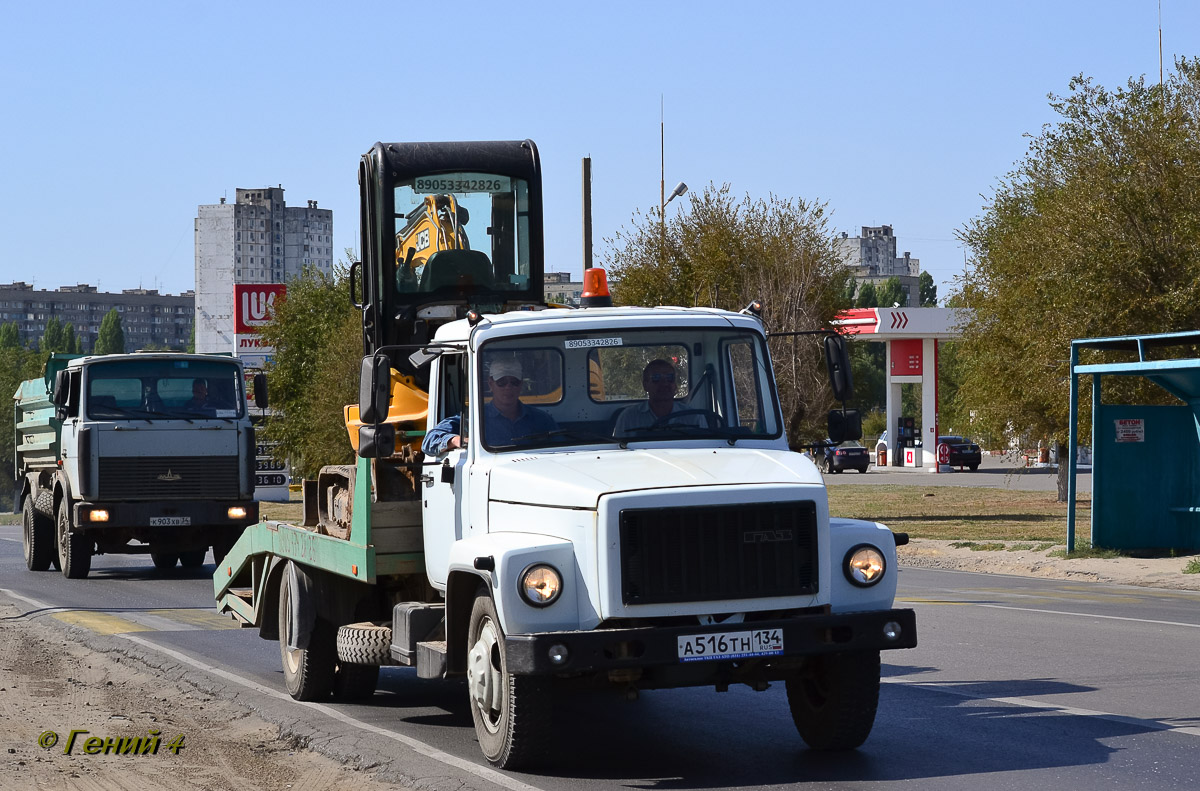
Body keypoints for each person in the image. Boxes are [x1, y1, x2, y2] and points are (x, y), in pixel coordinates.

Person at [421, 356, 557, 455]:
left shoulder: (542, 420)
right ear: (491, 383)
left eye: (514, 382)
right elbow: (429, 441)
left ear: (521, 384)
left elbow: (560, 450)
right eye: (502, 382)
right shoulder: (473, 418)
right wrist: (456, 440)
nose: (508, 387)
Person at [613, 359, 708, 437]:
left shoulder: (695, 417)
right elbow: (618, 451)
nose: (664, 383)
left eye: (670, 378)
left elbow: (706, 450)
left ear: (675, 384)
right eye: (656, 378)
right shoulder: (628, 417)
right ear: (645, 385)